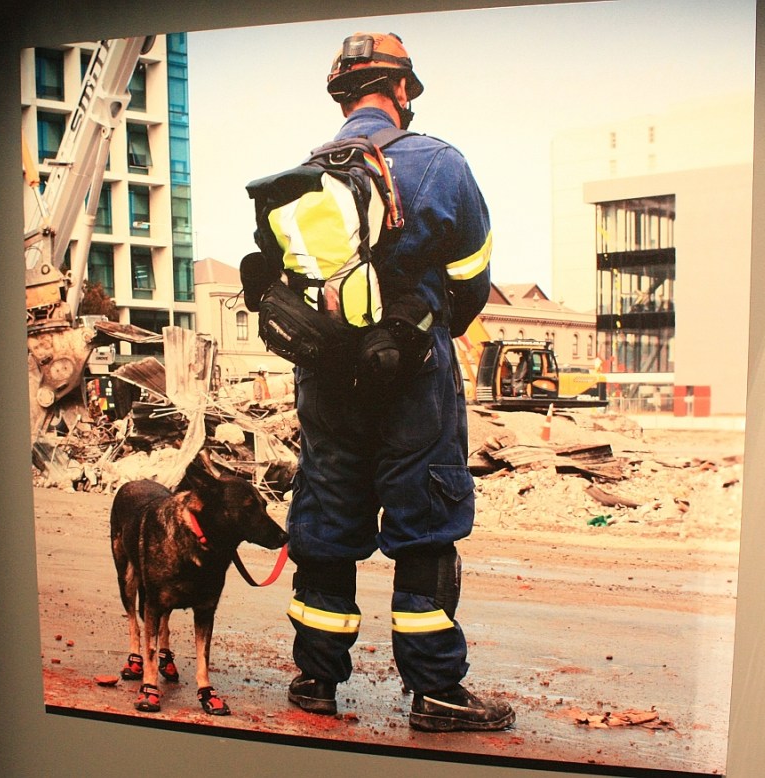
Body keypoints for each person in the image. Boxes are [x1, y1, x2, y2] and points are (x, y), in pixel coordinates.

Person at [283, 31, 516, 733]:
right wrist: (424, 327)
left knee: (327, 523)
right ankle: (437, 695)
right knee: (423, 529)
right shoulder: (440, 165)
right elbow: (473, 285)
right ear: (403, 91)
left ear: (341, 95)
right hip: (413, 385)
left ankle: (316, 681)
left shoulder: (302, 174)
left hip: (327, 383)